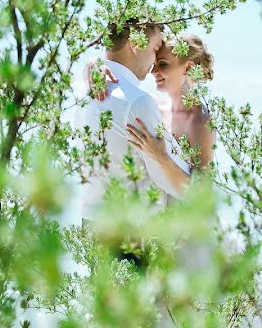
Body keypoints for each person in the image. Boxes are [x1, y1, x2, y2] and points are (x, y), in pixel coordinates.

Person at [77, 20, 193, 229]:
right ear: (135, 43)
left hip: (92, 225)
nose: (153, 64)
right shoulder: (138, 102)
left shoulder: (84, 93)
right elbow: (175, 184)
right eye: (155, 48)